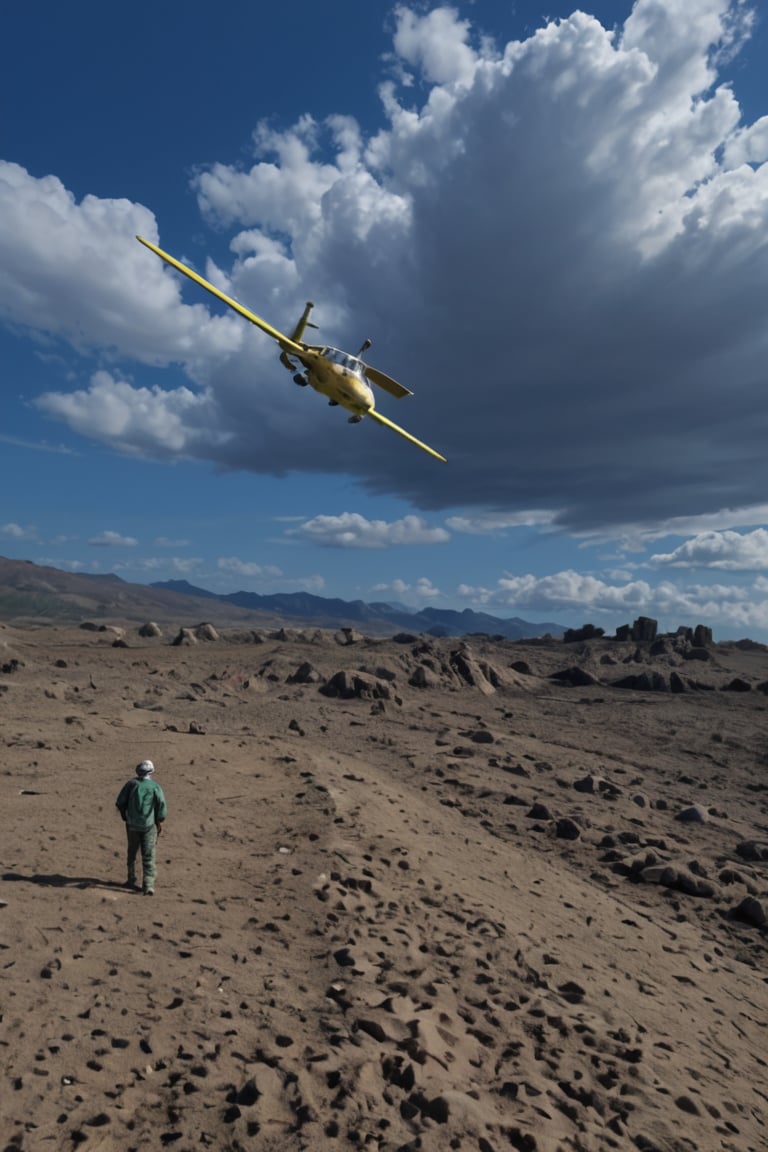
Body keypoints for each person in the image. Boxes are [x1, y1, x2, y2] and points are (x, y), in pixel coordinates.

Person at [115, 760, 167, 895]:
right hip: (149, 825)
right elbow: (161, 807)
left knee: (132, 852)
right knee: (148, 854)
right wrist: (159, 820)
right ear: (151, 772)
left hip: (132, 825)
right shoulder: (155, 787)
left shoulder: (131, 784)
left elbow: (120, 802)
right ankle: (148, 885)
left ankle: (131, 879)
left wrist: (125, 816)